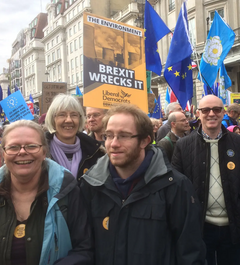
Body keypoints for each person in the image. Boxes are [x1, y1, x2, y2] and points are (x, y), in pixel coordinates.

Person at [80, 103, 206, 264]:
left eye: (124, 136)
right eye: (109, 135)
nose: (113, 144)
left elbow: (190, 253)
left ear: (145, 141)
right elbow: (84, 249)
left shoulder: (175, 186)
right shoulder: (90, 185)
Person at [0, 120, 93, 264]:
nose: (22, 152)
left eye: (31, 146)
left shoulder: (67, 193)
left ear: (44, 152)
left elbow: (84, 249)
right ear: (3, 153)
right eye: (13, 147)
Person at [172, 95, 240, 265]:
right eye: (206, 110)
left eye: (216, 109)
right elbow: (175, 188)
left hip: (234, 226)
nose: (211, 114)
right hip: (199, 227)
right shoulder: (183, 145)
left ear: (223, 113)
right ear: (199, 113)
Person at [45, 94, 105, 180]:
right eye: (62, 115)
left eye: (74, 115)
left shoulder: (96, 152)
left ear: (80, 119)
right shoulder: (40, 153)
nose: (69, 120)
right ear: (52, 119)